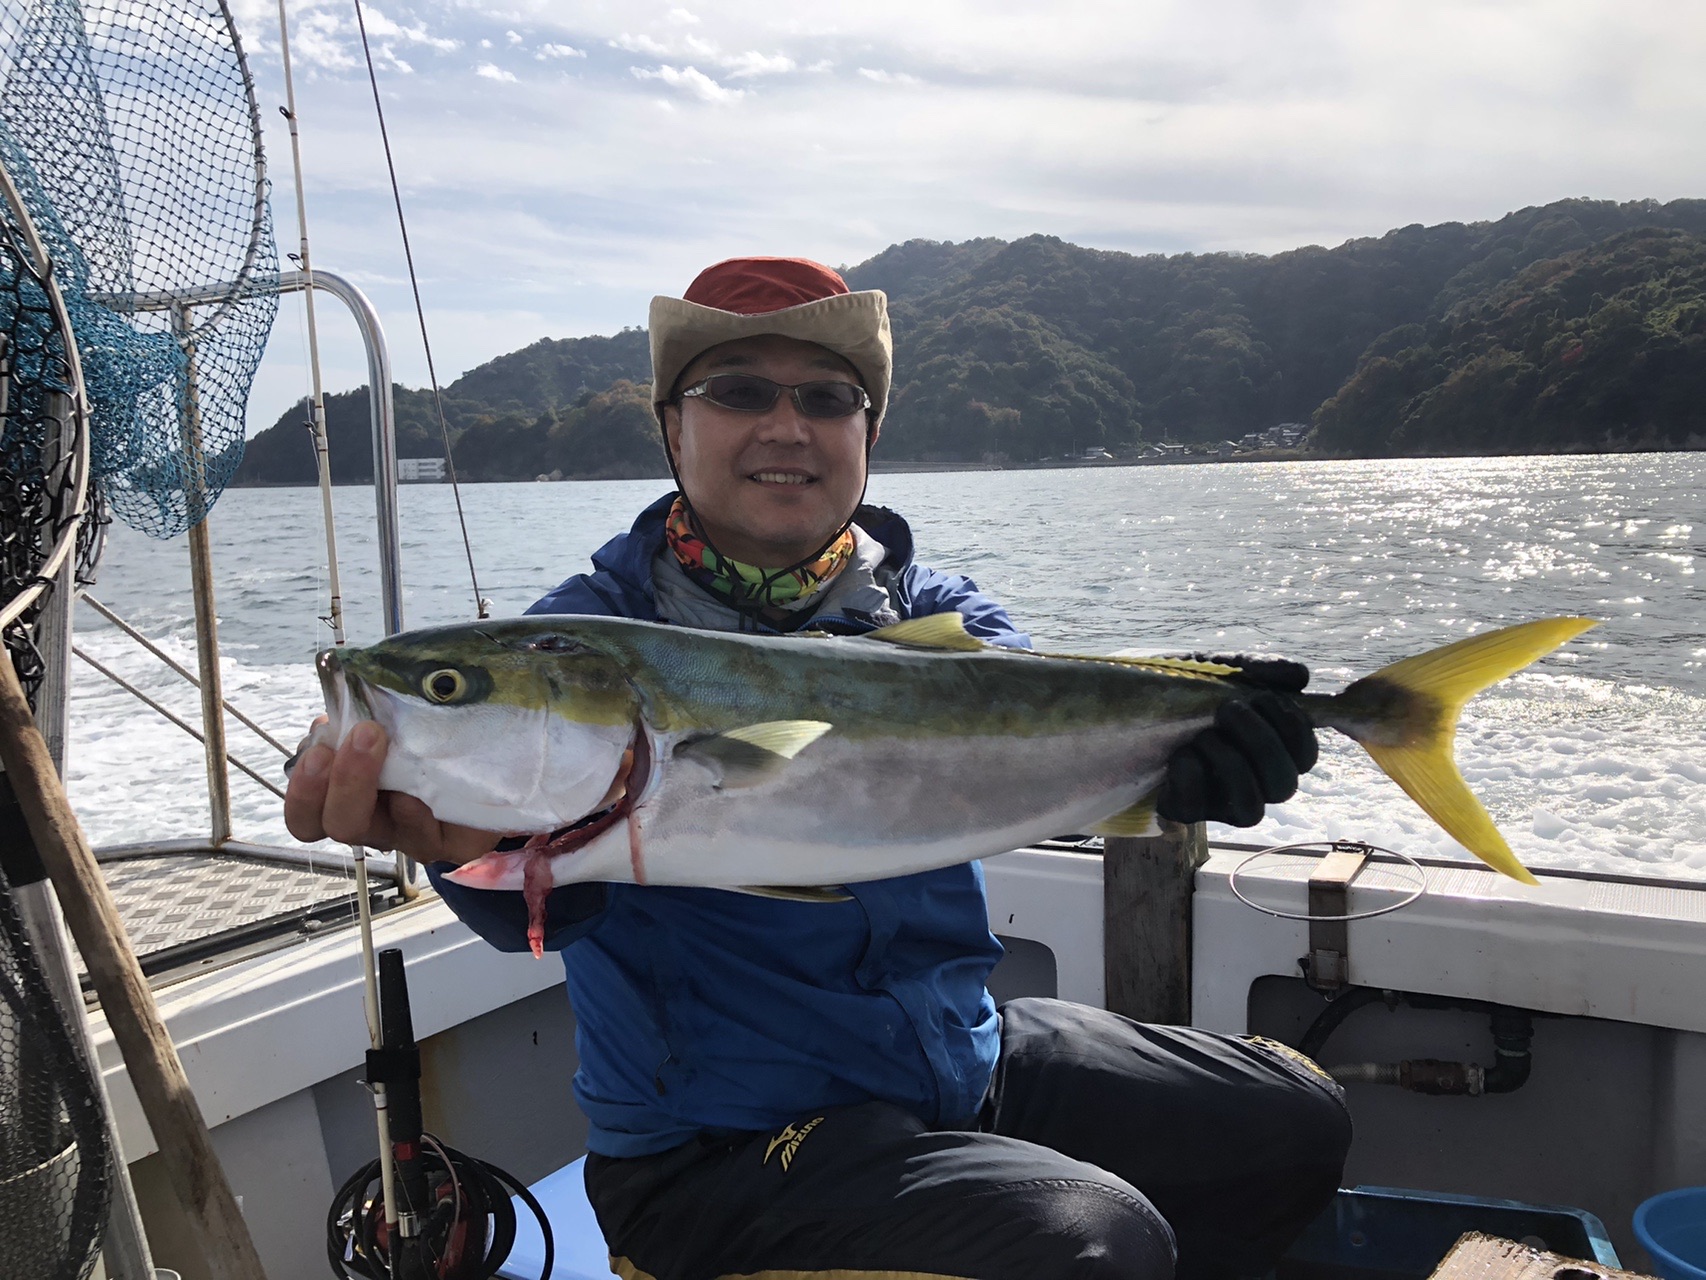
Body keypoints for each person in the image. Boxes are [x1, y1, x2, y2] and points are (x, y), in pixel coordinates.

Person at [286, 257, 1350, 1280]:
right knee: (1089, 1243)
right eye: (739, 389)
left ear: (866, 433)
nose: (785, 425)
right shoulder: (586, 635)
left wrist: (1184, 757)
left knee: (1286, 1120)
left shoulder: (942, 616)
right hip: (716, 1156)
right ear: (671, 423)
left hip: (954, 1065)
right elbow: (539, 906)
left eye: (827, 397)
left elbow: (1047, 749)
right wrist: (468, 843)